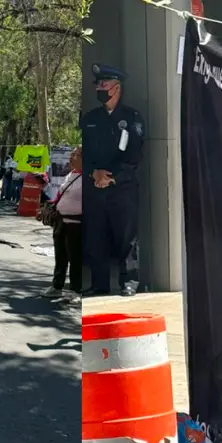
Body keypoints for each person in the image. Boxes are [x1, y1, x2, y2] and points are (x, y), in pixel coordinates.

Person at [82, 63, 144, 297]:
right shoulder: (90, 119)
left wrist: (112, 178)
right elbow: (85, 153)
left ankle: (129, 282)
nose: (99, 88)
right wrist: (94, 174)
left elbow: (134, 154)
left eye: (104, 84)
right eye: (98, 84)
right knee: (96, 236)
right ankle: (99, 285)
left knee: (126, 236)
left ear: (116, 88)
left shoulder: (132, 118)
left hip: (122, 188)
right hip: (95, 187)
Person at [42, 146, 83, 304]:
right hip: (60, 222)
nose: (71, 157)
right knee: (60, 256)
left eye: (75, 155)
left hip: (76, 224)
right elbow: (60, 196)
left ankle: (76, 290)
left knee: (75, 258)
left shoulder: (88, 177)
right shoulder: (70, 174)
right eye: (71, 154)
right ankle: (56, 286)